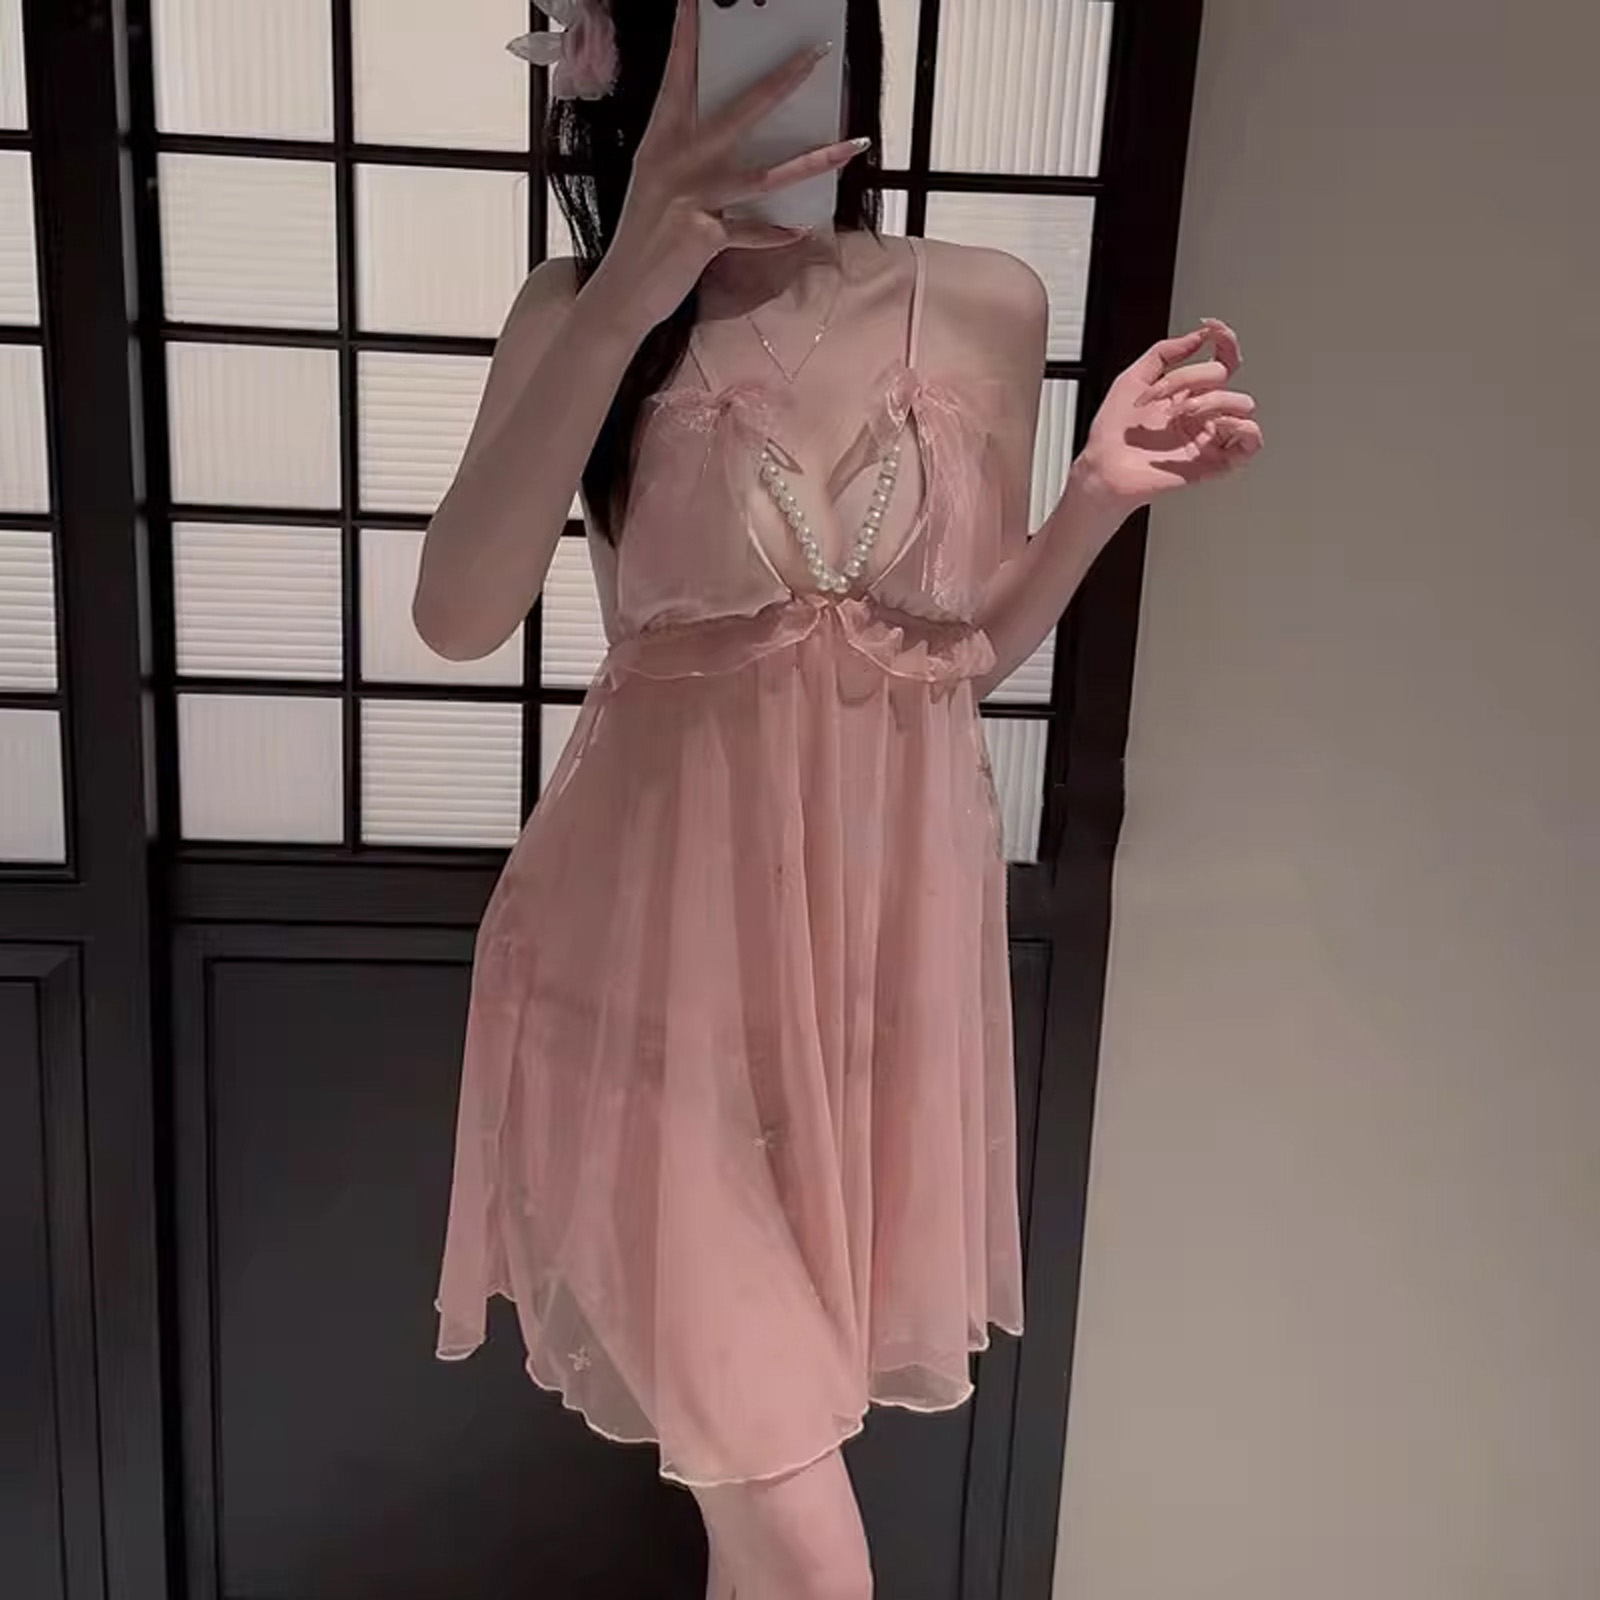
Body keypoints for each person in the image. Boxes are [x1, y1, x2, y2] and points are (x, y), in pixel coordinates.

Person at [414, 2, 1262, 1595]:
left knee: (757, 1531)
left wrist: (1094, 495)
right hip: (633, 1003)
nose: (785, 75)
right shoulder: (579, 312)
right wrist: (627, 292)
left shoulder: (983, 302)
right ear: (631, 64)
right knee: (815, 1564)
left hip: (856, 1008)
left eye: (811, 24)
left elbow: (950, 655)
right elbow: (456, 614)